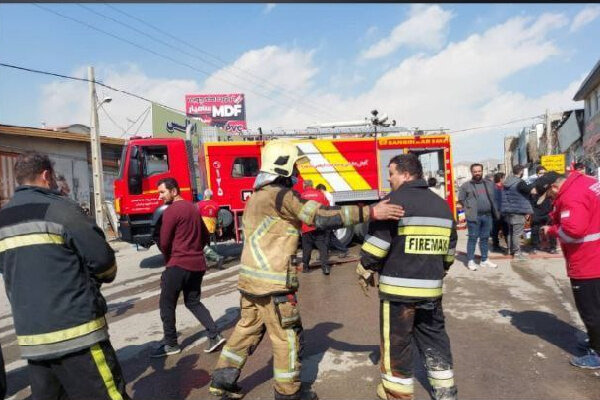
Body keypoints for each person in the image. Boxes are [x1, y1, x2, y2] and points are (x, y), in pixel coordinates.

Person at [209, 140, 404, 400]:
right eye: (295, 169)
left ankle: (221, 383)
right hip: (274, 284)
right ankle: (288, 394)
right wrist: (370, 212)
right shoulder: (281, 195)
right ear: (284, 167)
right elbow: (321, 216)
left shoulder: (256, 196)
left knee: (246, 330)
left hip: (250, 282)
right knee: (286, 339)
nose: (298, 175)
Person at [0, 151, 130, 399]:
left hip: (33, 342)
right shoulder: (61, 210)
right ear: (46, 176)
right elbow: (104, 262)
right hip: (79, 335)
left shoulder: (2, 221)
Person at [357, 153, 458, 400]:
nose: (389, 179)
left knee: (397, 344)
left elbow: (378, 244)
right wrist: (439, 270)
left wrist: (364, 266)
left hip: (398, 294)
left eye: (391, 173)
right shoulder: (441, 205)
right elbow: (450, 249)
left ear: (405, 173)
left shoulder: (393, 202)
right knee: (435, 340)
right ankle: (445, 392)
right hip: (432, 291)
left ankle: (397, 394)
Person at [152, 177, 226, 358]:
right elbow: (204, 237)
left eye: (162, 192)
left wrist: (169, 260)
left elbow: (164, 241)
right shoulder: (194, 209)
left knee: (166, 304)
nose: (160, 197)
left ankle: (171, 344)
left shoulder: (170, 212)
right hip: (197, 265)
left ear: (174, 191)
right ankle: (214, 335)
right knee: (193, 301)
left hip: (178, 264)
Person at [538, 171, 600, 369]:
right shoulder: (586, 181)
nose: (552, 200)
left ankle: (598, 353)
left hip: (588, 260)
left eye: (550, 196)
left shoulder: (572, 197)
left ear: (554, 187)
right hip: (595, 254)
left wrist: (552, 230)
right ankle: (595, 340)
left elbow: (573, 231)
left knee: (590, 310)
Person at [458, 163, 499, 271]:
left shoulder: (489, 184)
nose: (477, 173)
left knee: (485, 238)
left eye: (479, 171)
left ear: (482, 171)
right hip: (474, 217)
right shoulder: (466, 186)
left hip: (487, 216)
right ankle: (470, 260)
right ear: (471, 172)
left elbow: (494, 198)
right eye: (475, 171)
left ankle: (484, 260)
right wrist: (468, 209)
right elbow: (461, 199)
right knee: (473, 238)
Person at [501, 165, 534, 260]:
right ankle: (517, 253)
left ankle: (510, 250)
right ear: (521, 172)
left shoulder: (507, 182)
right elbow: (531, 192)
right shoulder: (519, 183)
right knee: (517, 233)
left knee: (511, 232)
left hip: (508, 210)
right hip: (518, 211)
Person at [300, 181, 332, 275]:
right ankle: (325, 268)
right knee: (322, 246)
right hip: (319, 225)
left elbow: (297, 210)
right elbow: (327, 206)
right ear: (312, 185)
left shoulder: (301, 196)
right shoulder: (320, 194)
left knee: (307, 247)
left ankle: (305, 267)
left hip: (306, 225)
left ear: (305, 186)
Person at [529, 167, 557, 254]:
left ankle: (553, 247)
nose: (543, 174)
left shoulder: (550, 185)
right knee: (534, 229)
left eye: (545, 173)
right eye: (541, 173)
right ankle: (534, 246)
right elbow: (529, 198)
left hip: (548, 211)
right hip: (536, 211)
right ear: (537, 174)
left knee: (551, 229)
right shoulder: (533, 185)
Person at [316, 184, 348, 258]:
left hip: (328, 218)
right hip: (328, 217)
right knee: (330, 237)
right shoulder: (328, 195)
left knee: (326, 236)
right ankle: (343, 250)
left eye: (318, 191)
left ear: (321, 189)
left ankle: (324, 255)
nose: (318, 193)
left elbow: (328, 208)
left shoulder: (327, 196)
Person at [197, 188, 225, 270]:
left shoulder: (199, 204)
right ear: (211, 196)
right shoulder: (216, 205)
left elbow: (195, 216)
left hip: (202, 228)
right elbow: (219, 218)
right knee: (206, 245)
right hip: (211, 229)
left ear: (205, 195)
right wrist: (219, 228)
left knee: (201, 246)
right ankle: (205, 263)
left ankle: (217, 258)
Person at [491, 172, 509, 253]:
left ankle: (509, 246)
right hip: (496, 212)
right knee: (495, 230)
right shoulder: (493, 188)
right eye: (504, 178)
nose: (505, 180)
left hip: (504, 212)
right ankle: (496, 246)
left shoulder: (504, 187)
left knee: (506, 229)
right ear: (501, 178)